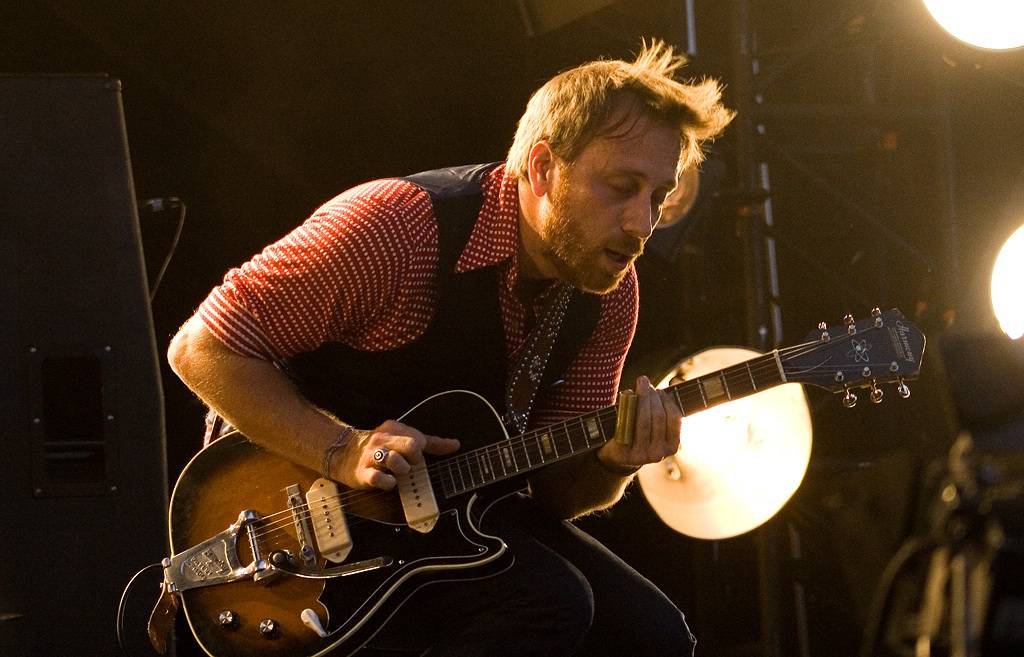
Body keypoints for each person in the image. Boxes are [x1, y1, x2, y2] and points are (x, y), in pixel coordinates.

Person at [168, 39, 733, 656]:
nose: (641, 223)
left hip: (451, 517)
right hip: (284, 534)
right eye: (622, 186)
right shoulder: (397, 226)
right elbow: (201, 349)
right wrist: (342, 450)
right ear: (543, 168)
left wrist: (615, 463)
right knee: (547, 601)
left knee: (654, 638)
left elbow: (558, 495)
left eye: (659, 197)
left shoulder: (610, 292)